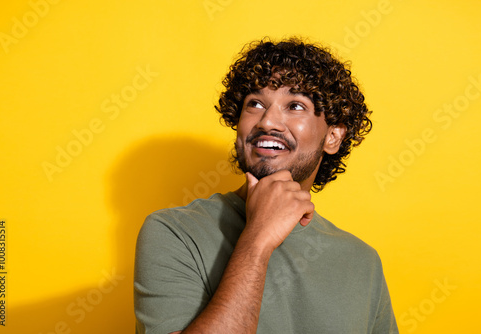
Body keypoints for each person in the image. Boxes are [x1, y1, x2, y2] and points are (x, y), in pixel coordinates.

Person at [134, 37, 398, 334]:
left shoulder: (362, 262)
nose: (268, 121)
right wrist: (257, 240)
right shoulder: (175, 233)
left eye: (295, 105)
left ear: (333, 137)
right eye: (255, 104)